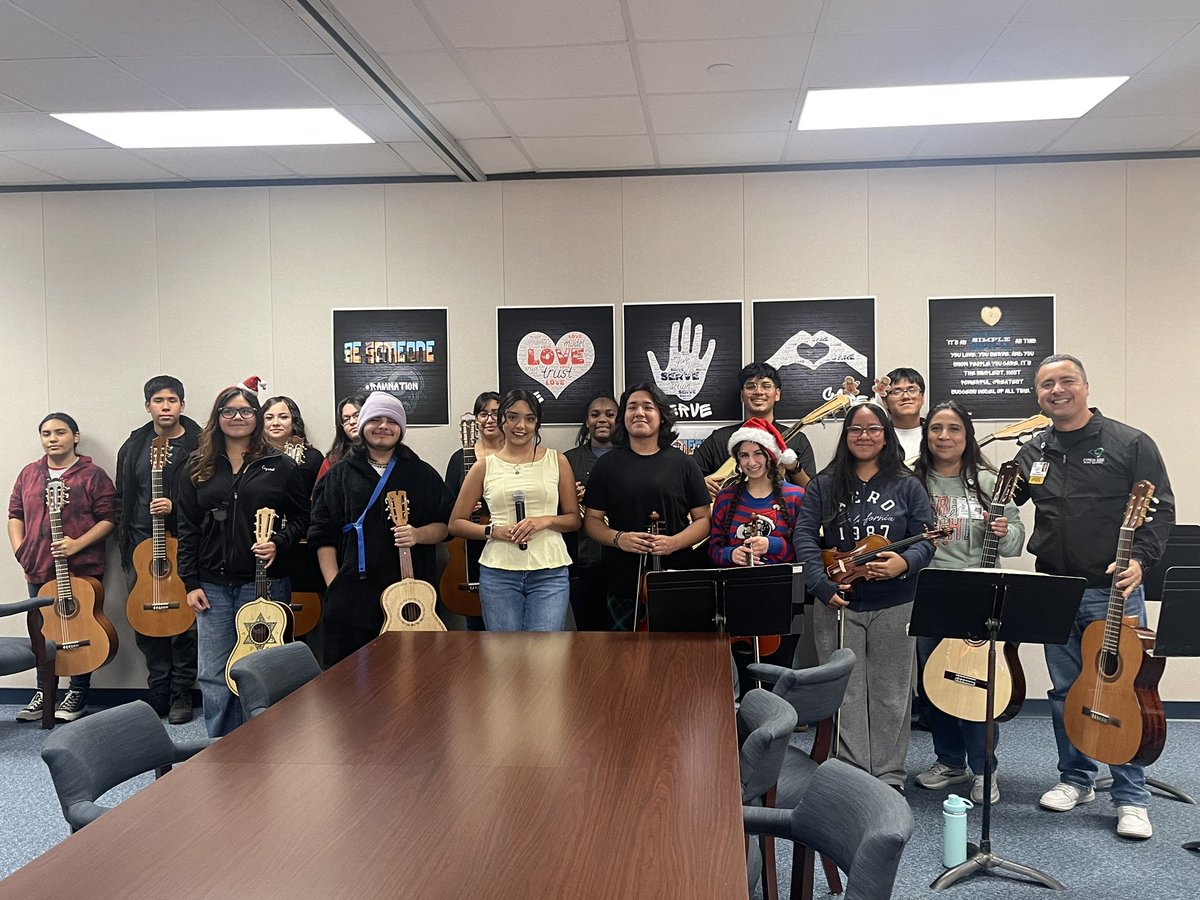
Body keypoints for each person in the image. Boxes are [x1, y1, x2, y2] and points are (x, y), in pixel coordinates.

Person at [1014, 354, 1174, 840]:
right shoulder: (1033, 450)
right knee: (1067, 691)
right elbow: (999, 495)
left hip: (1113, 592)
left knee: (1123, 689)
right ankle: (1076, 778)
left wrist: (1141, 560)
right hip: (1055, 589)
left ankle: (1131, 796)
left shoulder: (1129, 443)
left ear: (1085, 386)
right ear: (1037, 396)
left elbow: (1161, 509)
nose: (1057, 391)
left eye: (1066, 381)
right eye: (1046, 385)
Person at [792, 401, 935, 793]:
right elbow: (803, 536)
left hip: (896, 601)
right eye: (856, 429)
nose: (865, 436)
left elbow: (926, 538)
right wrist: (820, 585)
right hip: (839, 600)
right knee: (846, 692)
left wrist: (904, 565)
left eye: (874, 429)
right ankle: (851, 772)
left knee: (892, 692)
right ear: (846, 435)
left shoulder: (908, 484)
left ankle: (889, 775)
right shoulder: (824, 483)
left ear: (886, 436)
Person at [177, 380, 310, 737]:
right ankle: (220, 746)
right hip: (211, 585)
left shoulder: (280, 465)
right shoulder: (196, 466)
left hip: (264, 581)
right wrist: (189, 582)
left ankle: (265, 742)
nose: (238, 417)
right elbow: (186, 528)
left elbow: (303, 517)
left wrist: (279, 542)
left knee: (261, 667)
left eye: (247, 411)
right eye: (229, 411)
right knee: (213, 670)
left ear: (258, 416)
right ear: (217, 417)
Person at [911, 401, 1025, 804]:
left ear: (967, 435)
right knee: (934, 683)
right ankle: (949, 761)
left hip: (980, 593)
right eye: (937, 428)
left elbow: (1015, 541)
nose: (944, 436)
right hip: (931, 592)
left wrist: (1004, 529)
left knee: (979, 687)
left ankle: (984, 769)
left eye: (954, 429)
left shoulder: (990, 480)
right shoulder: (914, 479)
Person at [309, 392, 452, 664]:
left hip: (413, 599)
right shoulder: (338, 475)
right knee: (350, 684)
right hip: (352, 600)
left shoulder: (422, 473)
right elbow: (321, 534)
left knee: (413, 677)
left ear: (401, 428)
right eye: (375, 419)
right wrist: (335, 585)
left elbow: (446, 527)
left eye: (391, 420)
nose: (383, 426)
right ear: (362, 426)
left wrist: (418, 534)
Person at [9, 413, 116, 722]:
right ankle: (46, 691)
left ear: (75, 437)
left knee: (82, 626)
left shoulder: (92, 474)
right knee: (44, 630)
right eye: (46, 433)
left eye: (60, 432)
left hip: (82, 567)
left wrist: (76, 544)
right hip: (38, 566)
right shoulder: (30, 474)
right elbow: (15, 513)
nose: (52, 438)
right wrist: (21, 550)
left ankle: (78, 692)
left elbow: (109, 518)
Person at [583, 383, 711, 630]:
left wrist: (674, 542)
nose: (639, 412)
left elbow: (703, 520)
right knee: (624, 657)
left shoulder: (685, 464)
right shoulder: (607, 465)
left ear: (661, 416)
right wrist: (619, 538)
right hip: (623, 578)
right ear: (624, 418)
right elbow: (591, 521)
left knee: (678, 656)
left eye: (647, 407)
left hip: (678, 574)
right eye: (632, 407)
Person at [449, 390, 579, 631]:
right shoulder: (483, 466)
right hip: (498, 573)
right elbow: (455, 522)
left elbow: (574, 519)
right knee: (504, 657)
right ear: (502, 420)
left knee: (546, 655)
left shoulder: (557, 460)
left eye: (530, 419)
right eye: (513, 417)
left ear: (537, 423)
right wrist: (492, 531)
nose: (521, 425)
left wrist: (546, 520)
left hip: (549, 572)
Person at [115, 375, 202, 724]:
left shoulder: (201, 443)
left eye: (172, 400)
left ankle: (182, 692)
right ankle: (158, 691)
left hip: (185, 545)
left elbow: (212, 495)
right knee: (147, 622)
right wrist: (127, 541)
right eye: (158, 401)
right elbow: (122, 496)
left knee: (184, 624)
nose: (165, 407)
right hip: (141, 548)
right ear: (147, 405)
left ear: (182, 404)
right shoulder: (135, 445)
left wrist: (176, 507)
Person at [690, 362, 817, 497]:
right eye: (751, 386)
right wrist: (700, 483)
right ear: (742, 396)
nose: (758, 391)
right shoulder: (719, 439)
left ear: (777, 394)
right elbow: (686, 477)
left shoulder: (797, 440)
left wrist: (794, 467)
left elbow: (812, 494)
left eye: (766, 386)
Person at [707, 417, 805, 568]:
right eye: (744, 455)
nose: (751, 462)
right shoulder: (725, 497)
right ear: (737, 460)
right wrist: (730, 554)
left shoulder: (795, 496)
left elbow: (807, 551)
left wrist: (773, 545)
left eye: (758, 453)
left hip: (783, 585)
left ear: (771, 456)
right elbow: (713, 549)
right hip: (737, 585)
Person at [443, 391, 503, 631]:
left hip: (502, 547)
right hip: (467, 550)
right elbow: (446, 506)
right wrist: (462, 504)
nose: (489, 419)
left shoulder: (515, 457)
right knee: (475, 630)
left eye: (496, 414)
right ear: (476, 420)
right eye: (483, 413)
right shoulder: (460, 459)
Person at [564, 392, 619, 631]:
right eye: (595, 414)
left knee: (624, 634)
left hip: (624, 559)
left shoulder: (633, 458)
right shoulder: (567, 460)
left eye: (610, 414)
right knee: (589, 634)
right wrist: (567, 498)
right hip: (583, 560)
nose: (602, 420)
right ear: (586, 421)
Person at [262, 395, 325, 492]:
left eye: (283, 417)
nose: (275, 423)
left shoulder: (313, 458)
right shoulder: (255, 456)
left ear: (294, 421)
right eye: (269, 418)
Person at [316, 392, 366, 483]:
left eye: (357, 416)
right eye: (346, 419)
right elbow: (318, 494)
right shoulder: (333, 459)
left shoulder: (385, 452)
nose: (352, 422)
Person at [878, 366, 926, 460]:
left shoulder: (936, 434)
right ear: (885, 402)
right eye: (896, 392)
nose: (906, 396)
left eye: (912, 390)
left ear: (923, 397)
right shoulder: (877, 437)